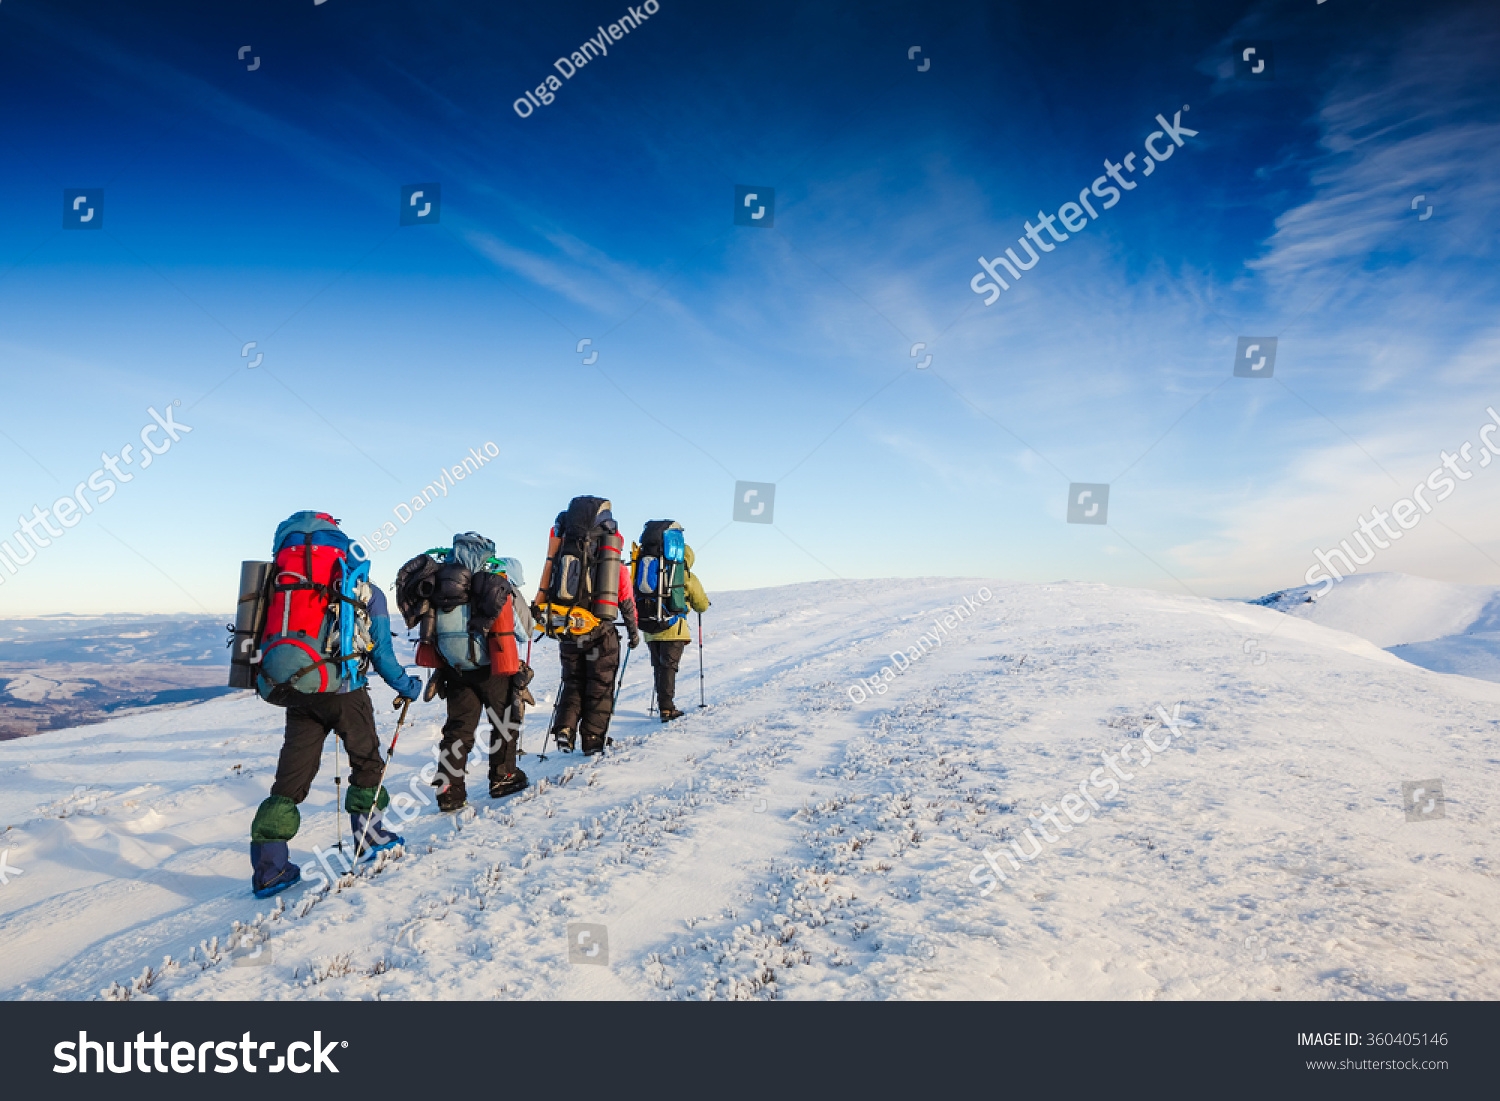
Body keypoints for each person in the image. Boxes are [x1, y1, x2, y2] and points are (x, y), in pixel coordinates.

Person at [248, 511, 422, 899]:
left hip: (297, 690)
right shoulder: (362, 590)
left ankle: (270, 870)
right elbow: (382, 655)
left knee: (290, 781)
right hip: (345, 691)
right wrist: (407, 686)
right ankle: (371, 838)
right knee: (367, 763)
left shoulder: (279, 585)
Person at [397, 535, 534, 811]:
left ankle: (449, 790)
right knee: (504, 721)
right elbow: (523, 632)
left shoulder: (441, 586)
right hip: (491, 668)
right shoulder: (494, 581)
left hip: (455, 669)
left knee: (459, 729)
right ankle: (503, 777)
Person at [534, 499, 639, 755]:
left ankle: (565, 729)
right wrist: (633, 631)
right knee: (599, 685)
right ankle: (592, 741)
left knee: (572, 681)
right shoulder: (608, 559)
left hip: (568, 628)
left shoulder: (563, 550)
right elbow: (625, 598)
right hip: (599, 631)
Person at [645, 545, 710, 721]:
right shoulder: (685, 575)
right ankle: (666, 709)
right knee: (668, 668)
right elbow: (701, 605)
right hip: (674, 629)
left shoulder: (652, 569)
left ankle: (663, 705)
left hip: (651, 629)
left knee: (659, 668)